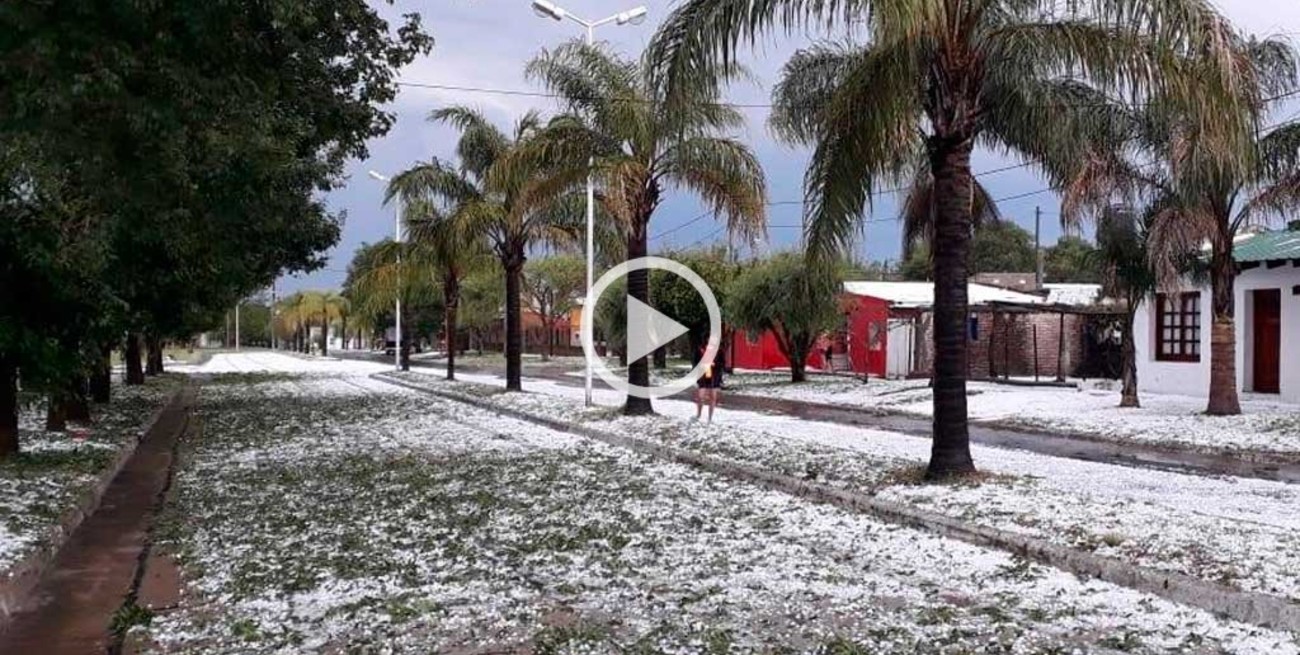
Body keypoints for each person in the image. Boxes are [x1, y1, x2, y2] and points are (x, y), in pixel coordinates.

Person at [692, 343, 724, 423]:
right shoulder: (700, 351)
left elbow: (722, 364)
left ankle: (710, 417)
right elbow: (695, 363)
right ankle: (698, 414)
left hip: (714, 377)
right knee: (700, 396)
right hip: (703, 376)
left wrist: (715, 365)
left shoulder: (719, 351)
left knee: (713, 397)